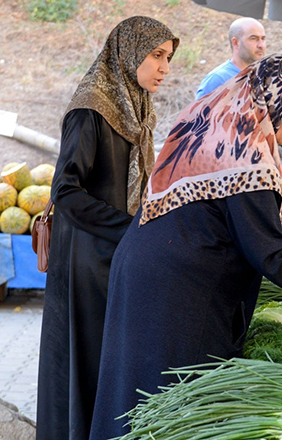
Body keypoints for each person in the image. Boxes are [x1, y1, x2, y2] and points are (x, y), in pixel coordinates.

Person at [88, 54, 282, 439]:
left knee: (132, 388)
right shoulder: (247, 159)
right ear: (274, 100)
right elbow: (273, 257)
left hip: (145, 270)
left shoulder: (219, 127)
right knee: (169, 403)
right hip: (179, 293)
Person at [36, 16, 178, 440]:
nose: (164, 68)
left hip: (111, 253)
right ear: (129, 52)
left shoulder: (135, 106)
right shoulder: (91, 108)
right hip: (84, 258)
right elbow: (66, 189)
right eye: (156, 56)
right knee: (84, 360)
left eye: (168, 58)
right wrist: (129, 224)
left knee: (103, 361)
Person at [195, 17, 266, 99]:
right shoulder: (218, 80)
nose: (261, 45)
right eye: (254, 39)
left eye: (263, 39)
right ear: (236, 43)